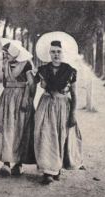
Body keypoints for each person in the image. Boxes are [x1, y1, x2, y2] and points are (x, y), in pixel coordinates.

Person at [34, 40, 82, 185]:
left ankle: (57, 168)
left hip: (62, 106)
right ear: (49, 53)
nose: (56, 54)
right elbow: (31, 85)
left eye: (58, 51)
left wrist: (73, 114)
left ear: (63, 53)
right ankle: (48, 171)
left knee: (60, 136)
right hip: (46, 104)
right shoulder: (43, 70)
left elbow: (74, 94)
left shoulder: (70, 71)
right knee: (45, 135)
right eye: (53, 51)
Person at [0, 39, 36, 177]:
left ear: (15, 52)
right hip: (7, 98)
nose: (5, 56)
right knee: (5, 128)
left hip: (21, 97)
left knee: (20, 129)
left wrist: (27, 100)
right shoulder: (6, 64)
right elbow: (5, 83)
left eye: (7, 53)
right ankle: (6, 163)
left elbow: (32, 85)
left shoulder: (26, 64)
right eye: (4, 53)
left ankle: (18, 164)